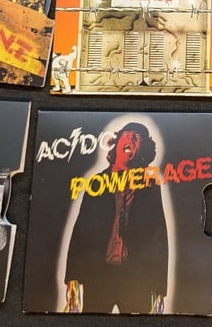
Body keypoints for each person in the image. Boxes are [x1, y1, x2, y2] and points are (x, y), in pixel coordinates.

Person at [64, 122, 168, 313]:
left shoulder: (151, 186)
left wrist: (159, 288)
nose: (131, 138)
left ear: (143, 149)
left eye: (137, 137)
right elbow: (80, 231)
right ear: (117, 142)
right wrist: (72, 279)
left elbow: (158, 235)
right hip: (99, 276)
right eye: (126, 134)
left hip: (136, 279)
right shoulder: (96, 182)